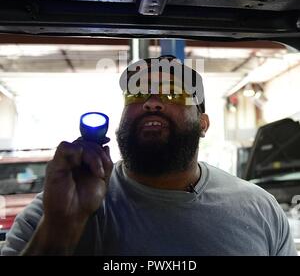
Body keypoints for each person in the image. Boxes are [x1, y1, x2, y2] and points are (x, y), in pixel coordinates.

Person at [1, 55, 297, 256]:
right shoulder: (55, 210)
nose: (151, 103)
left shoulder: (260, 209)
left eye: (173, 93)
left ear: (203, 124)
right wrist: (63, 225)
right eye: (138, 94)